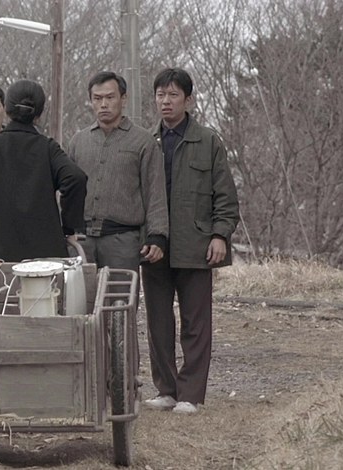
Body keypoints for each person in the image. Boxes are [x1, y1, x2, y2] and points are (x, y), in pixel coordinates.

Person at [142, 68, 240, 414]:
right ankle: (166, 389)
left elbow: (225, 196)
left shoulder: (208, 141)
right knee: (158, 321)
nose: (165, 102)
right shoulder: (145, 141)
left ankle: (190, 394)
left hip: (197, 244)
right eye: (160, 95)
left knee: (196, 323)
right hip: (155, 245)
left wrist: (220, 235)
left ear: (188, 100)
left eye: (173, 95)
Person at [0, 79, 86, 261]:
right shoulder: (48, 148)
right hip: (45, 254)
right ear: (39, 114)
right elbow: (76, 178)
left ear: (6, 109)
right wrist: (69, 227)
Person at [67, 71, 168, 274]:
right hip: (82, 240)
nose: (103, 104)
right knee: (79, 293)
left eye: (110, 97)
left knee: (120, 292)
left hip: (123, 241)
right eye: (97, 98)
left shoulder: (143, 141)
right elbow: (66, 191)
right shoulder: (78, 141)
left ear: (123, 99)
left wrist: (157, 235)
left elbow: (155, 191)